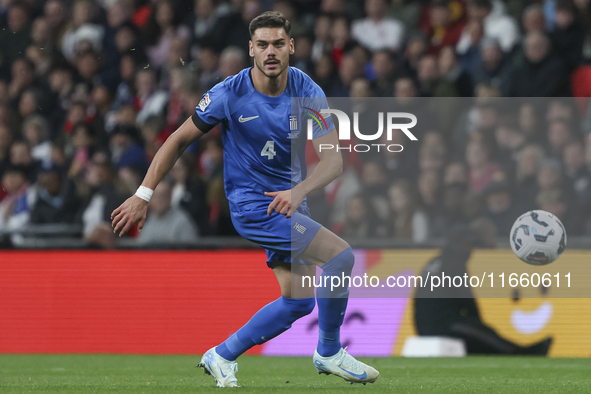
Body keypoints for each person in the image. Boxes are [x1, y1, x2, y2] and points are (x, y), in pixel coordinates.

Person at [110, 11, 379, 387]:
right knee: (340, 256)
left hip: (289, 203)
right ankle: (330, 351)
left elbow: (333, 160)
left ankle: (221, 355)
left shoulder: (308, 92)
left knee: (298, 301)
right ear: (251, 48)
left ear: (292, 47)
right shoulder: (228, 94)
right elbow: (178, 140)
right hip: (252, 206)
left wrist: (298, 192)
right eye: (263, 44)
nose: (271, 52)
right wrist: (143, 193)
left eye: (278, 44)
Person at [414, 221, 553, 355]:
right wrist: (477, 323)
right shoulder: (454, 265)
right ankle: (520, 353)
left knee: (479, 334)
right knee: (482, 335)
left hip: (425, 325)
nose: (469, 251)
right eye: (466, 246)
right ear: (456, 245)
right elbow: (467, 300)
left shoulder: (435, 262)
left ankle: (520, 351)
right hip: (445, 325)